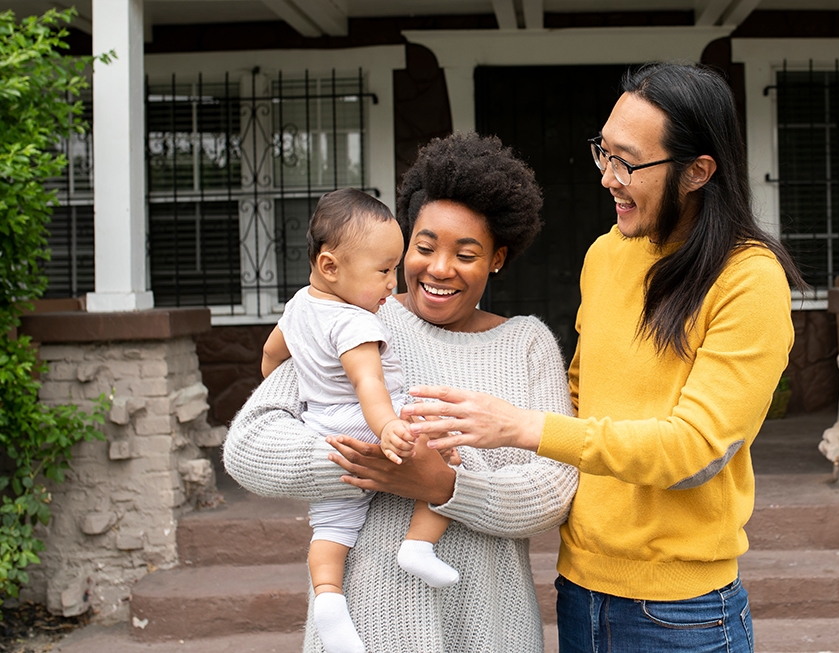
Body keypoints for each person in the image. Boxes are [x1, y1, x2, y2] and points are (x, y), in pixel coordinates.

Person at [401, 62, 808, 653]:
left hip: (681, 613)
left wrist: (520, 427)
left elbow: (695, 452)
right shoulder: (606, 254)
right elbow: (577, 394)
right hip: (579, 588)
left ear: (698, 172)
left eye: (628, 162)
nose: (607, 178)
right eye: (603, 153)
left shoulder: (749, 281)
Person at [224, 132, 579, 653]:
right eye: (425, 246)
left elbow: (555, 491)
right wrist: (377, 464)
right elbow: (249, 447)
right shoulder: (353, 317)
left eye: (466, 253)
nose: (438, 268)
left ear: (497, 258)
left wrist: (446, 485)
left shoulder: (527, 344)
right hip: (370, 627)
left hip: (490, 628)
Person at [259, 188, 461, 653]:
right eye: (383, 270)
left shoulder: (297, 308)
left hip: (324, 432)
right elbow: (369, 383)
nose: (392, 283)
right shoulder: (355, 322)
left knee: (330, 529)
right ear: (331, 266)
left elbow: (270, 358)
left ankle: (329, 600)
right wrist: (389, 426)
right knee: (452, 454)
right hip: (368, 422)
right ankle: (418, 545)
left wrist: (295, 389)